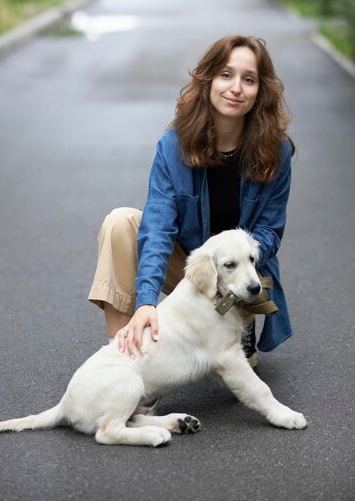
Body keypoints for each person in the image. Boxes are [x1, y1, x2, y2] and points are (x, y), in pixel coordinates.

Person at [88, 34, 295, 368]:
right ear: (208, 79)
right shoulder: (174, 145)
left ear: (261, 91)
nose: (236, 88)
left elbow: (270, 231)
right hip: (190, 267)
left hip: (241, 274)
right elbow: (157, 226)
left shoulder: (276, 151)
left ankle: (239, 326)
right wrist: (146, 302)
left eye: (249, 79)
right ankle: (122, 359)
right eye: (226, 75)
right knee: (121, 222)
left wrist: (232, 257)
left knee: (230, 364)